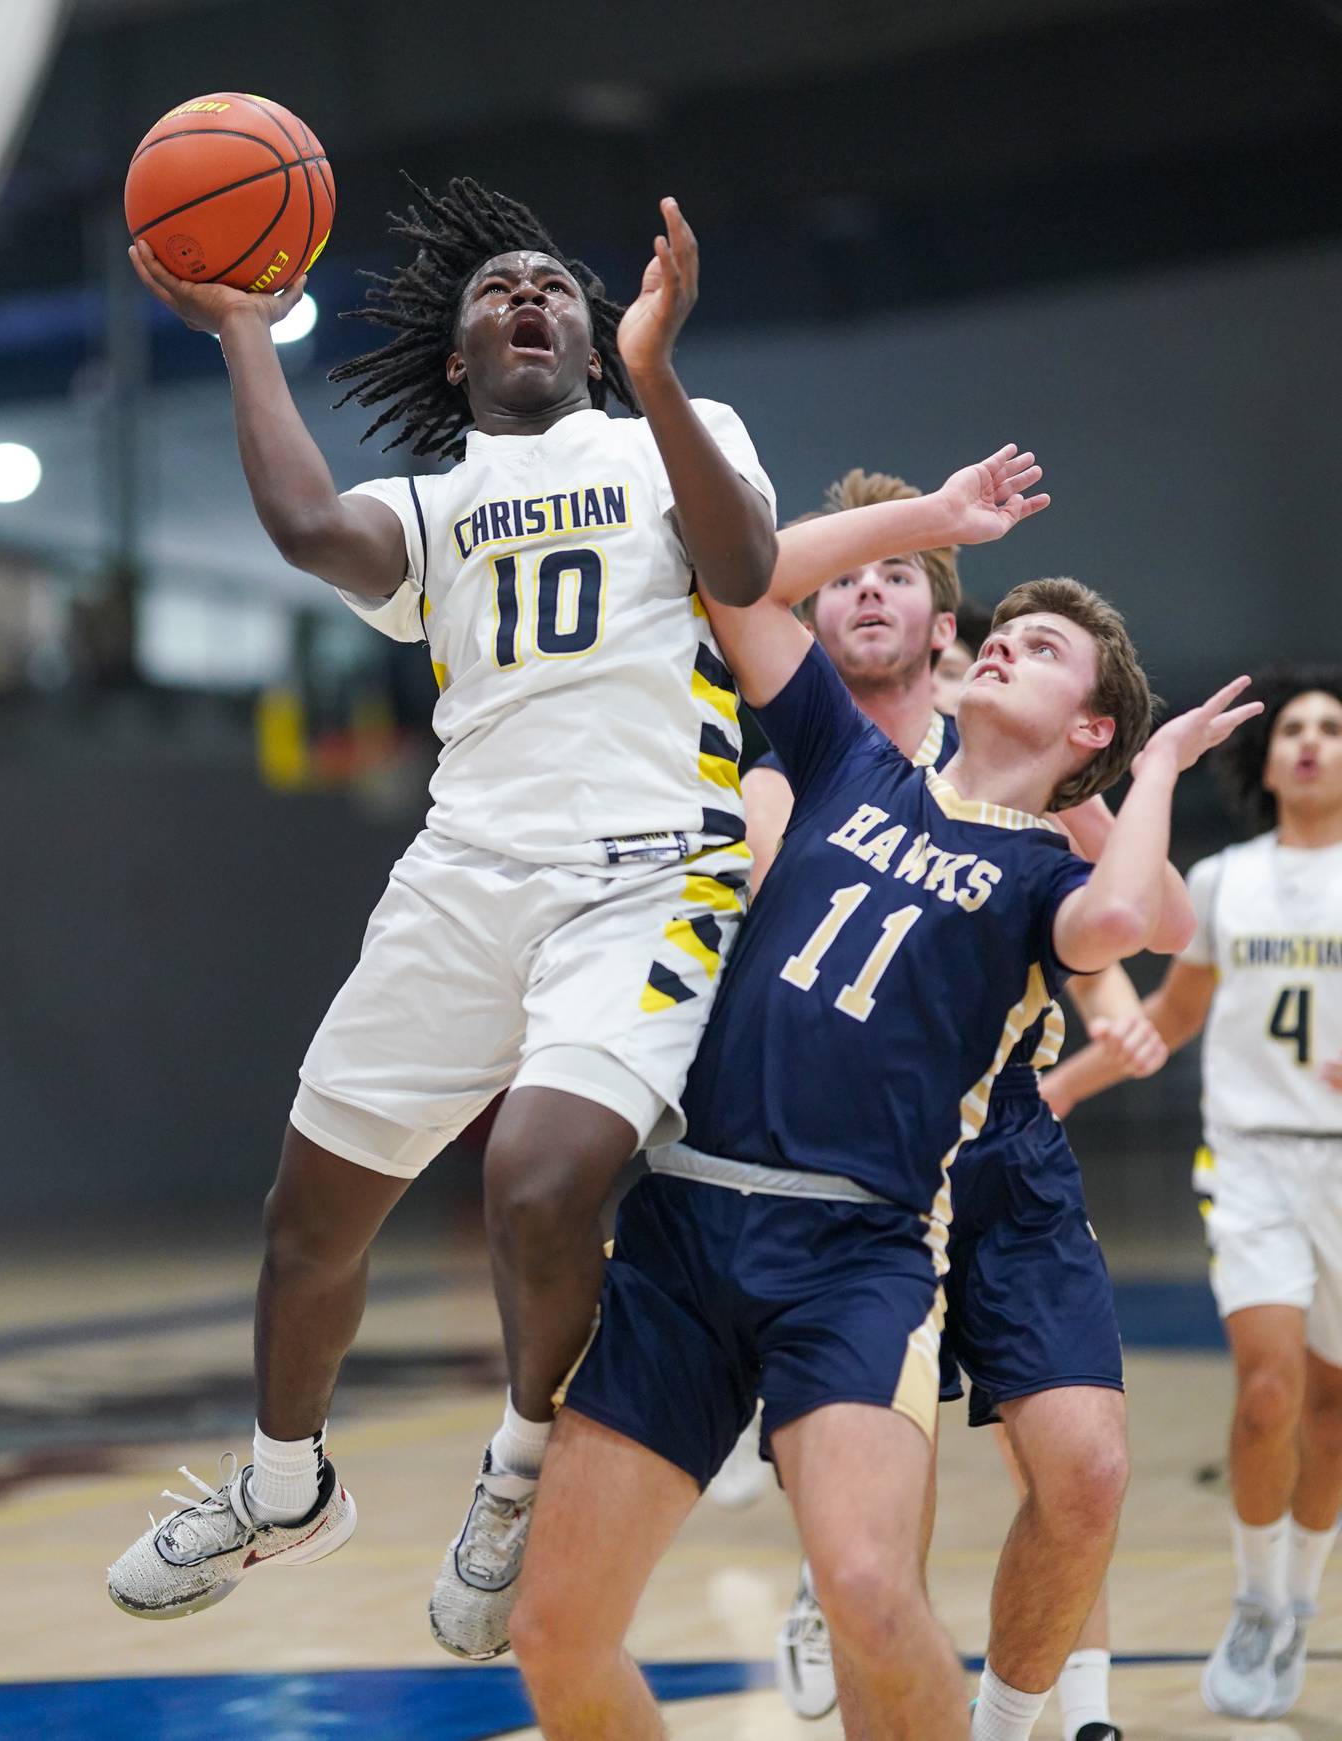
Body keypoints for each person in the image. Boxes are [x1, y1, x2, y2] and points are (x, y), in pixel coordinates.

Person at [105, 179, 779, 1654]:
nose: (528, 296)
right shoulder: (432, 506)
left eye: (556, 288)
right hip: (463, 875)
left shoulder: (674, 432)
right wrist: (237, 328)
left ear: (596, 346)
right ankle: (285, 1490)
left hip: (650, 872)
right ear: (461, 359)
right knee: (308, 1222)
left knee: (536, 1184)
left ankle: (521, 1469)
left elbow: (742, 572)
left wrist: (658, 370)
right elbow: (299, 520)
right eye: (497, 293)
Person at [507, 467, 1259, 1738]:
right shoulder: (851, 758)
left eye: (1046, 648)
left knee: (867, 1580)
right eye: (1004, 628)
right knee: (555, 1631)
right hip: (684, 1227)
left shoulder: (1040, 872)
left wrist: (1166, 760)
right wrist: (933, 525)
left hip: (853, 1252)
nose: (1007, 640)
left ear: (1088, 734)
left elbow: (1135, 916)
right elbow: (736, 575)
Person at [739, 474, 1160, 1741]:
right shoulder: (818, 753)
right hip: (858, 1149)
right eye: (850, 577)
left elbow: (1127, 917)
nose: (869, 588)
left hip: (1001, 1135)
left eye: (901, 574)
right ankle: (847, 1589)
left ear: (944, 630)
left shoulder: (1018, 759)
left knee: (1077, 1462)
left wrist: (1127, 780)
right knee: (893, 1480)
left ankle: (1057, 1708)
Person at [1043, 665, 1342, 1722]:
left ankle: (1299, 1601)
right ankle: (1257, 1597)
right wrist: (1067, 1083)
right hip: (1253, 1154)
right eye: (1293, 727)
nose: (1309, 741)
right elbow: (1171, 1013)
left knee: (1330, 1406)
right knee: (1266, 1391)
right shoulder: (1224, 882)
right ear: (1266, 760)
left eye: (1330, 728)